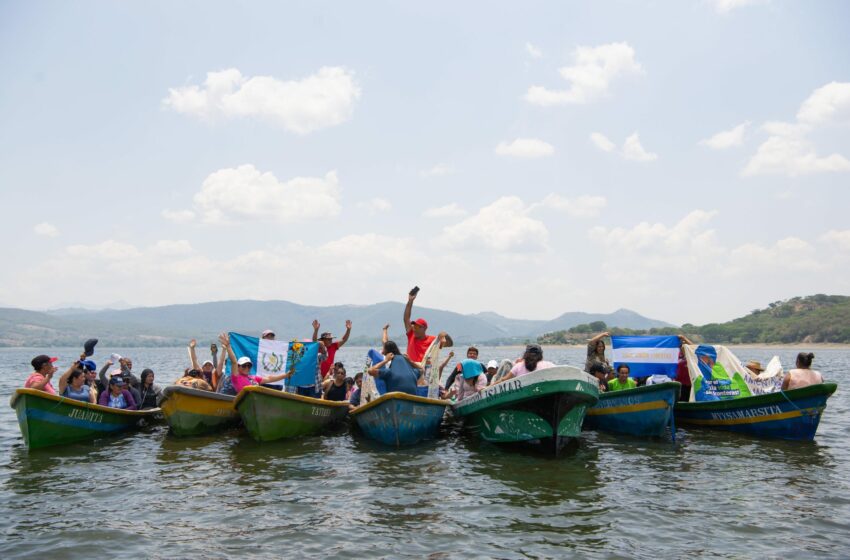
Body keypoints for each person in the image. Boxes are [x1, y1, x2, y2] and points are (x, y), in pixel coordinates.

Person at [220, 332, 292, 393]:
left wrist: (286, 375)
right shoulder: (236, 377)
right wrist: (228, 346)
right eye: (244, 366)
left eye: (249, 366)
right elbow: (234, 362)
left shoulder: (253, 378)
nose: (247, 368)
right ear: (238, 367)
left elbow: (269, 379)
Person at [402, 288, 447, 363]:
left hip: (424, 370)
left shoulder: (432, 339)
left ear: (425, 328)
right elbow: (406, 318)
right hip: (411, 370)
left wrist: (442, 336)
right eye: (414, 326)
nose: (414, 329)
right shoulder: (411, 335)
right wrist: (410, 301)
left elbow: (442, 340)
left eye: (417, 327)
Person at [675, 335, 695, 401]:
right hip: (680, 385)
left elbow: (694, 348)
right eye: (682, 346)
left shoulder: (692, 357)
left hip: (691, 384)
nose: (684, 347)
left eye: (686, 346)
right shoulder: (677, 356)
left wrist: (684, 338)